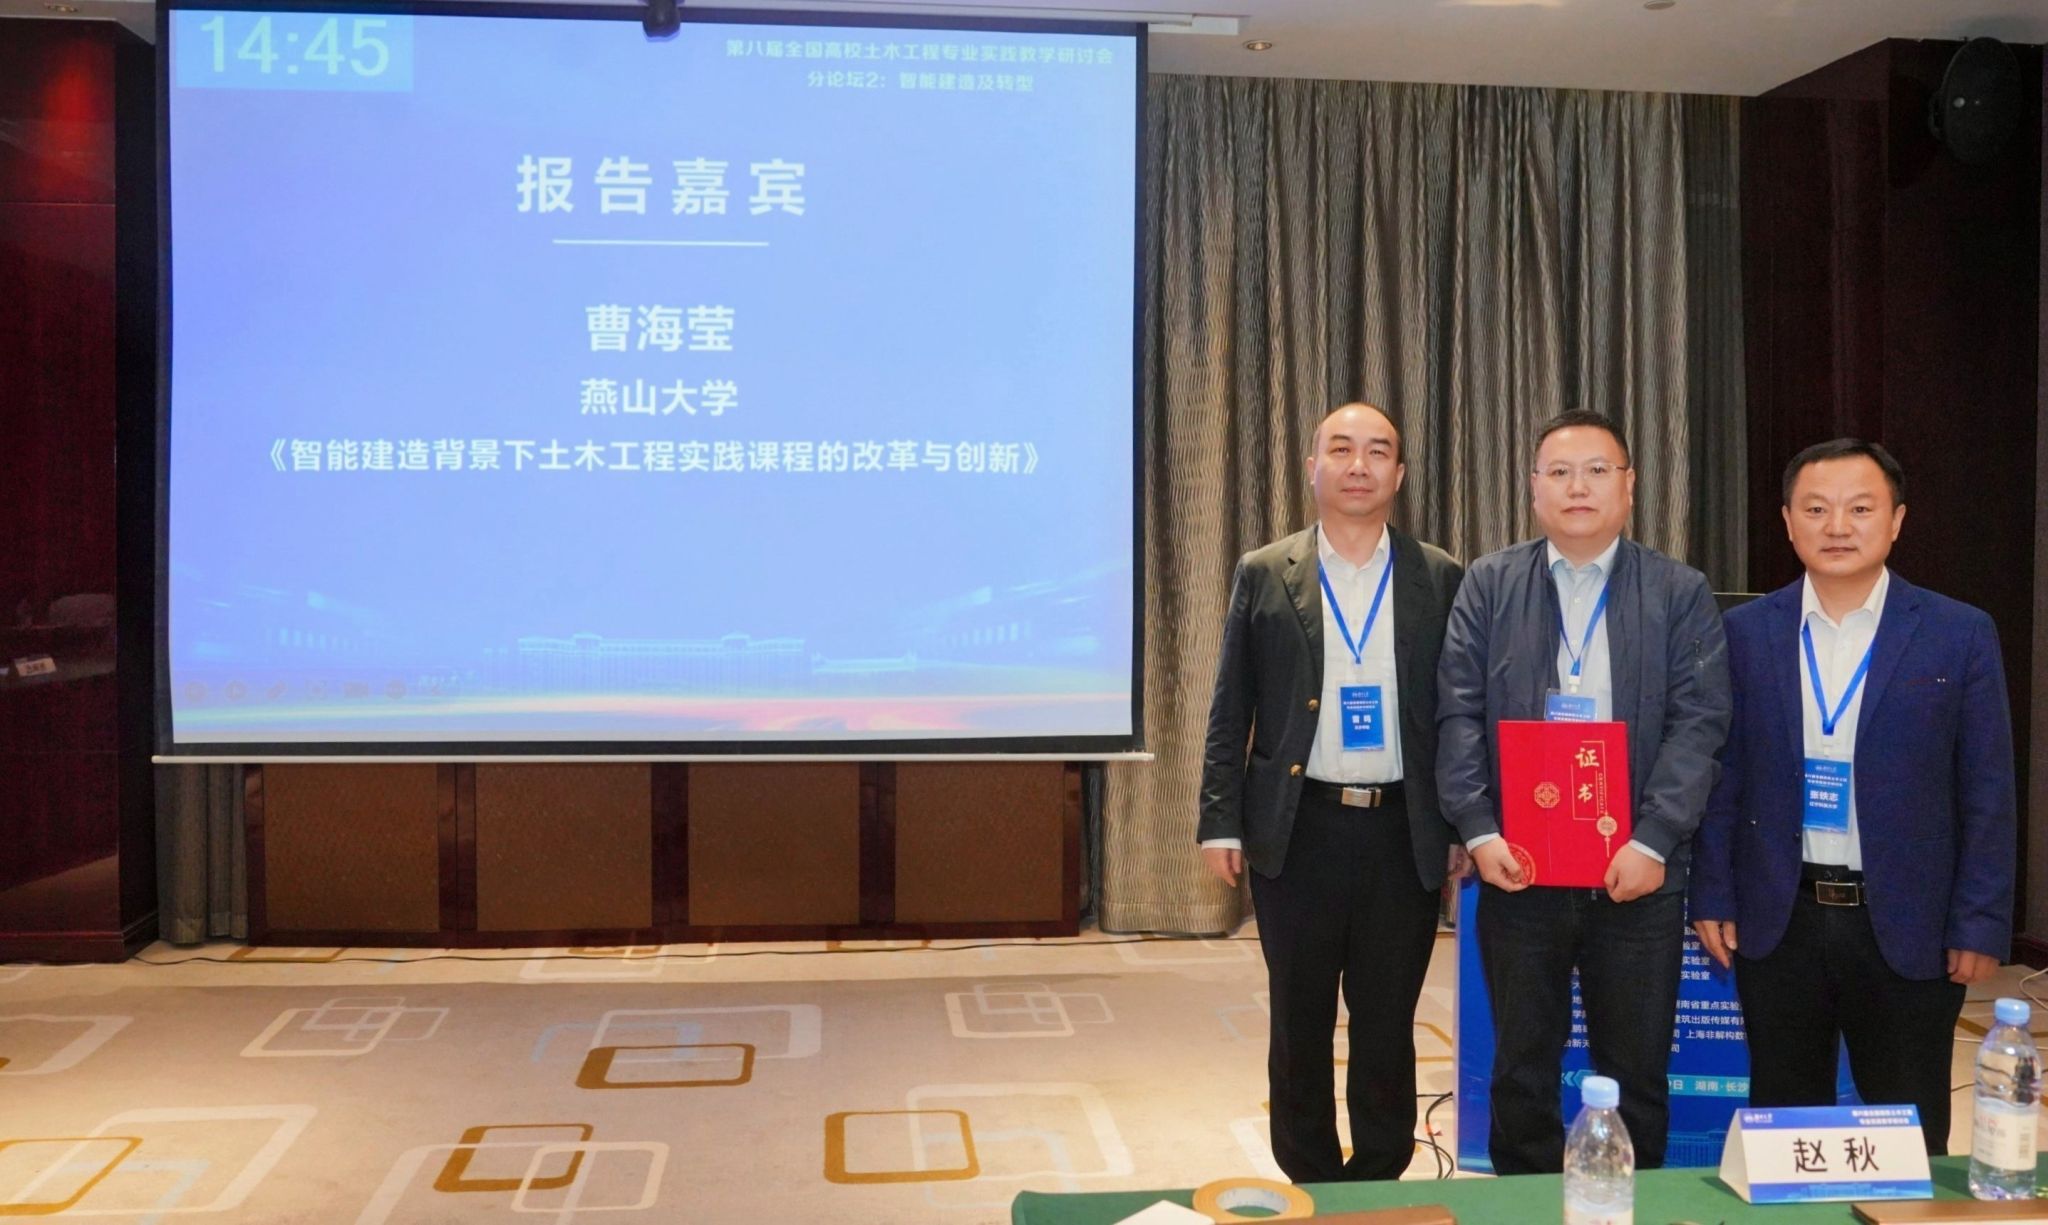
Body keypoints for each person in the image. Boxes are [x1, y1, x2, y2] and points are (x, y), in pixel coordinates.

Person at [1689, 438, 2014, 1154]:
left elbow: (1987, 787)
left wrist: (1980, 920)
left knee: (1910, 1129)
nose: (1837, 526)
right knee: (1785, 1126)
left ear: (1896, 520)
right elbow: (1722, 772)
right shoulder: (1744, 633)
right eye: (1816, 509)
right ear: (1787, 521)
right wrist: (1712, 891)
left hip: (1909, 923)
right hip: (1781, 917)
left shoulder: (1958, 633)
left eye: (1860, 509)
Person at [1436, 408, 1731, 1173]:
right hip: (1519, 863)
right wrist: (1478, 829)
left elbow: (1700, 722)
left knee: (1636, 1069)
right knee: (1521, 1064)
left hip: (1636, 871)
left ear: (1629, 487)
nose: (1578, 487)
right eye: (1560, 472)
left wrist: (1653, 839)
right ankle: (1527, 1202)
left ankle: (1633, 1205)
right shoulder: (1489, 583)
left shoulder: (1679, 590)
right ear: (1534, 488)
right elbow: (1457, 711)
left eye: (1598, 471)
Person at [1197, 402, 1466, 1182]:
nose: (1358, 465)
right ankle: (1309, 1171)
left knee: (1387, 1015)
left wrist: (1461, 823)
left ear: (1399, 474)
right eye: (1341, 449)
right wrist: (1220, 819)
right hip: (1299, 825)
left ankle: (1379, 1169)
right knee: (1300, 1013)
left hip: (1400, 829)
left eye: (1377, 451)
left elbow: (1460, 714)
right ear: (1312, 467)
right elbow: (1231, 705)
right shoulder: (1264, 570)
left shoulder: (1438, 575)